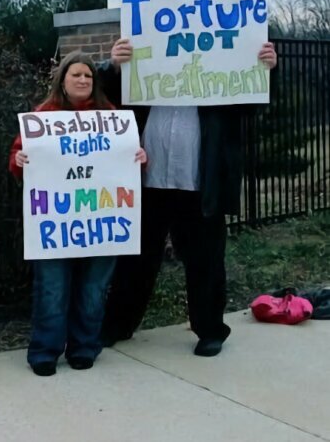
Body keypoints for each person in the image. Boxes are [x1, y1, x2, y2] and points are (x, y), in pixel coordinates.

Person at [98, 39, 278, 356]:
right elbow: (108, 96)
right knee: (134, 260)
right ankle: (117, 324)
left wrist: (266, 70)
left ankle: (210, 330)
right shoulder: (146, 76)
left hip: (198, 182)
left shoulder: (218, 80)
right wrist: (113, 66)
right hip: (147, 180)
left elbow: (252, 104)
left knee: (206, 260)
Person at [8, 51, 147, 376]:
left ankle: (85, 347)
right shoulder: (43, 116)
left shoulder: (111, 116)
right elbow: (17, 155)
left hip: (102, 222)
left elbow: (128, 158)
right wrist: (19, 161)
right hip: (55, 226)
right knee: (52, 289)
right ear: (63, 80)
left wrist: (141, 156)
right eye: (76, 75)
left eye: (88, 76)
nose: (83, 80)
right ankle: (45, 351)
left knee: (93, 289)